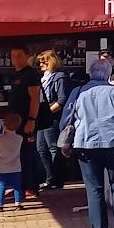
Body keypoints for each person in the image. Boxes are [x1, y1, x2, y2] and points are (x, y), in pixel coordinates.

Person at [60, 59, 114, 228]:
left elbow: (66, 118)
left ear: (90, 73)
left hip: (85, 144)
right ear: (109, 74)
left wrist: (66, 140)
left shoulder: (78, 92)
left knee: (93, 188)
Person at [7, 44, 40, 199]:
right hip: (15, 123)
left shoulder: (30, 75)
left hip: (27, 122)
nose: (16, 59)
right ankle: (18, 186)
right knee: (16, 154)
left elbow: (35, 98)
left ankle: (31, 186)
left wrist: (32, 120)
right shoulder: (15, 74)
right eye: (13, 56)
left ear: (27, 56)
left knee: (27, 154)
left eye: (19, 55)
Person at [36, 50, 69, 190]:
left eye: (44, 61)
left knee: (53, 148)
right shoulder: (44, 77)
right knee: (41, 148)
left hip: (52, 116)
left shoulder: (60, 77)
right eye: (40, 61)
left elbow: (62, 99)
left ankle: (57, 179)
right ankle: (49, 178)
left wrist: (47, 113)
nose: (41, 64)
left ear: (52, 61)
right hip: (43, 116)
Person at [0, 113, 24, 213]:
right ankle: (18, 203)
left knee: (1, 185)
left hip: (3, 167)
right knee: (17, 185)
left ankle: (0, 204)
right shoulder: (19, 138)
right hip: (16, 166)